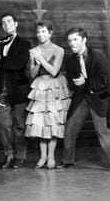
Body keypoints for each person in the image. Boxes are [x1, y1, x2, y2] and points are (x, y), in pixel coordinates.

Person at [58, 27, 110, 172]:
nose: (72, 44)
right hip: (80, 97)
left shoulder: (99, 57)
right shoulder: (70, 60)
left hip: (98, 96)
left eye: (75, 40)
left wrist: (86, 83)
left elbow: (104, 81)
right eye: (70, 41)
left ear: (84, 40)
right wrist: (77, 85)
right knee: (70, 128)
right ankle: (67, 161)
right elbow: (71, 82)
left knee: (102, 129)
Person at [24, 21, 71, 169]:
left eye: (44, 31)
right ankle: (42, 156)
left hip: (55, 86)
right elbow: (32, 74)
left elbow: (54, 71)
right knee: (41, 122)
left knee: (53, 121)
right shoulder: (34, 50)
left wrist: (41, 58)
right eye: (38, 32)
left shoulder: (58, 50)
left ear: (50, 33)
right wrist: (36, 61)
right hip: (40, 86)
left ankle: (51, 156)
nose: (40, 34)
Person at [0, 13, 31, 169]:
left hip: (19, 90)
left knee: (20, 125)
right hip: (2, 89)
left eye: (9, 21)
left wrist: (0, 61)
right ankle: (8, 154)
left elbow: (20, 64)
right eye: (3, 22)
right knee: (2, 124)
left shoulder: (25, 44)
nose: (6, 24)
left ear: (16, 24)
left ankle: (19, 157)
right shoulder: (0, 44)